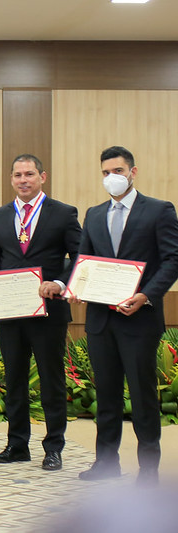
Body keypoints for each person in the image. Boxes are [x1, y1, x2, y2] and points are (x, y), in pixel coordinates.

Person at [74, 146, 178, 486]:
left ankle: (148, 469)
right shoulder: (93, 213)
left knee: (143, 395)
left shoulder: (159, 210)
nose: (111, 178)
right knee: (106, 395)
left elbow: (172, 260)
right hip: (101, 321)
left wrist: (147, 295)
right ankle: (106, 462)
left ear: (133, 172)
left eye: (117, 171)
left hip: (140, 318)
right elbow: (84, 260)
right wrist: (77, 285)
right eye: (105, 173)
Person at [0, 154, 81, 471]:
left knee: (52, 380)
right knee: (14, 379)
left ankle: (54, 447)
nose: (23, 180)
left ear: (42, 177)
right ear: (11, 179)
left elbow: (80, 257)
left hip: (49, 311)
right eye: (18, 175)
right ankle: (17, 444)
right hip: (10, 312)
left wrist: (59, 282)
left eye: (29, 174)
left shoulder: (63, 213)